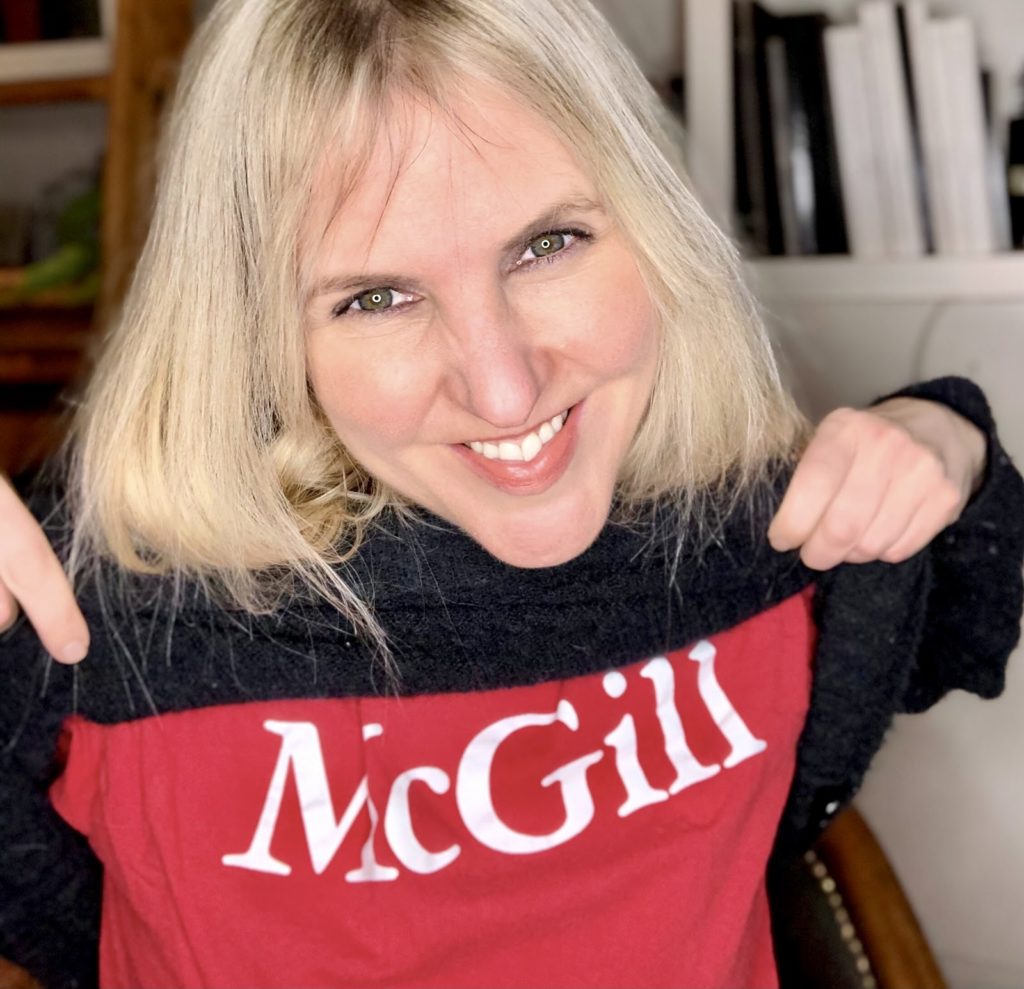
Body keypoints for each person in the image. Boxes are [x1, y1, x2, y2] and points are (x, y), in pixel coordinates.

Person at [0, 1, 1021, 987]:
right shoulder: (107, 631)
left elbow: (951, 622)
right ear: (262, 341)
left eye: (548, 244)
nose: (501, 386)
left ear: (653, 225)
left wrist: (946, 435)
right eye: (377, 297)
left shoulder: (761, 550)